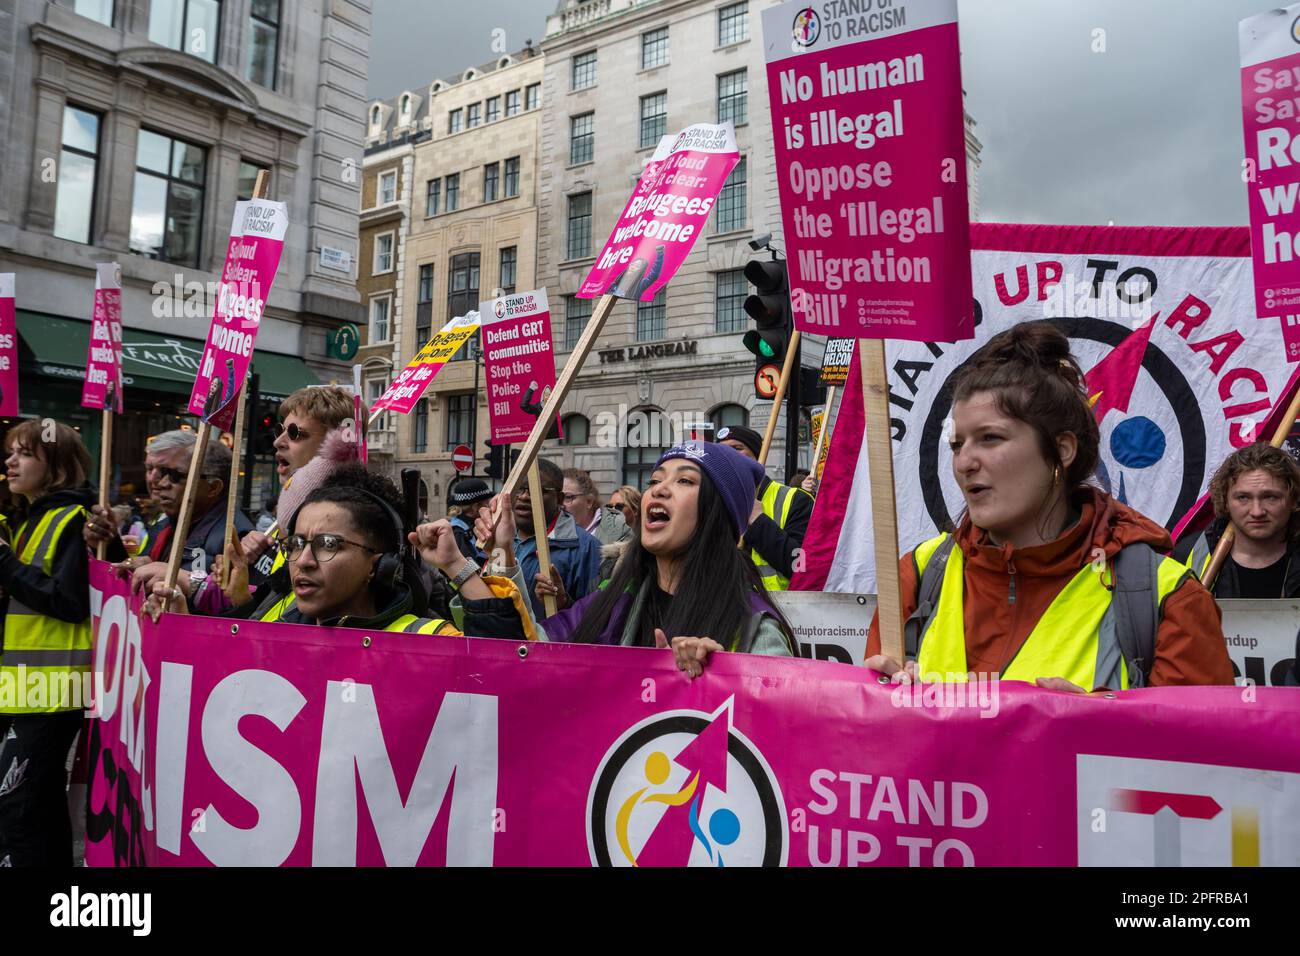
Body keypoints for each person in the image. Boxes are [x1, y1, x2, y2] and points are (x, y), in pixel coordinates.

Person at [865, 321, 1234, 690]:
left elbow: (1206, 746)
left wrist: (1100, 730)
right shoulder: (916, 575)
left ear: (1062, 450)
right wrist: (884, 706)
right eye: (957, 445)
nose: (964, 463)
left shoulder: (1167, 598)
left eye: (990, 438)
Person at [483, 441, 796, 675]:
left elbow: (777, 740)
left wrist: (717, 681)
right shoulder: (611, 606)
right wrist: (499, 550)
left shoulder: (754, 629)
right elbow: (523, 653)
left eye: (684, 480)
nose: (659, 491)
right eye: (655, 481)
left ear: (718, 514)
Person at [149, 465, 533, 640]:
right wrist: (179, 632)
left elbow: (502, 669)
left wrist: (456, 566)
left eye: (328, 544)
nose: (304, 560)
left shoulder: (426, 640)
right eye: (296, 544)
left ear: (378, 563)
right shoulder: (273, 635)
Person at [0, 419, 96, 866]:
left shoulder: (73, 519)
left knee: (19, 808)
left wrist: (3, 562)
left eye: (23, 453)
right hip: (24, 686)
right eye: (10, 453)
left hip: (51, 689)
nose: (10, 461)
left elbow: (68, 600)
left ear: (55, 464)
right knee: (35, 807)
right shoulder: (32, 517)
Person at [83, 430, 252, 603]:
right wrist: (109, 542)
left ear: (213, 488)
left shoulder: (237, 540)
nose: (160, 483)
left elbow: (229, 611)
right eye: (151, 469)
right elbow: (135, 590)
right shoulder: (165, 525)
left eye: (175, 476)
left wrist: (182, 582)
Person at [1174, 443, 1300, 598]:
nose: (1257, 511)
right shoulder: (1189, 554)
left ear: (1293, 499)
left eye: (1270, 497)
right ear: (1225, 501)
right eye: (1243, 498)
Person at [715, 424, 814, 591]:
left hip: (779, 610)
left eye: (737, 448)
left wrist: (759, 522)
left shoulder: (796, 500)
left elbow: (803, 566)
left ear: (759, 456)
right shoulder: (712, 501)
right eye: (721, 451)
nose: (728, 455)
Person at [512, 456, 601, 619]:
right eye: (519, 488)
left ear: (559, 499)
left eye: (536, 490)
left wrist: (564, 603)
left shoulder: (586, 548)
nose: (524, 496)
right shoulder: (494, 539)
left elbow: (596, 617)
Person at [563, 468, 631, 547]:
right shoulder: (550, 531)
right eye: (558, 497)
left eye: (568, 497)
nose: (561, 504)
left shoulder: (618, 531)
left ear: (589, 501)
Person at [447, 477, 494, 562]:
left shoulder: (466, 526)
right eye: (487, 502)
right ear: (476, 506)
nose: (489, 507)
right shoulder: (458, 533)